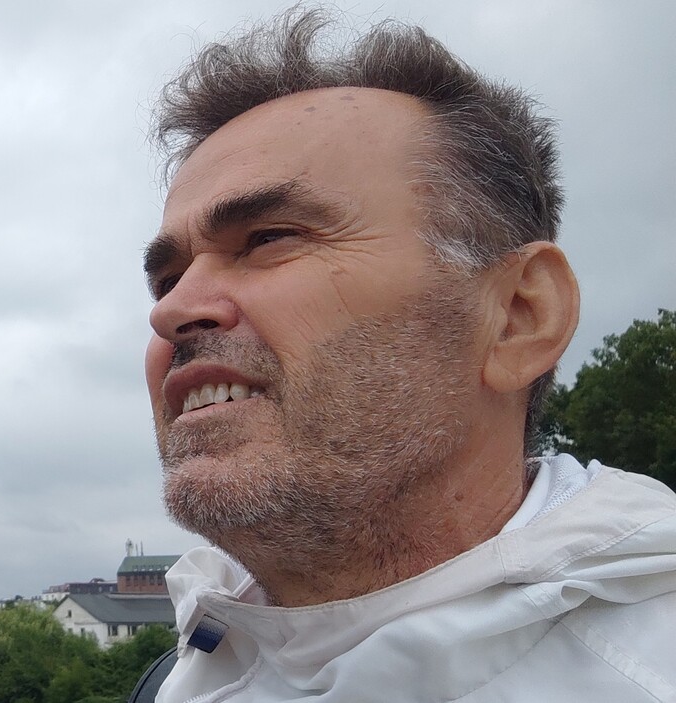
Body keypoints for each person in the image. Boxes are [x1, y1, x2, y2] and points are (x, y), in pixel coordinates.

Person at [138, 7, 676, 703]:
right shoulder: (174, 680)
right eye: (167, 278)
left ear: (518, 318)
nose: (171, 310)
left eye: (269, 238)